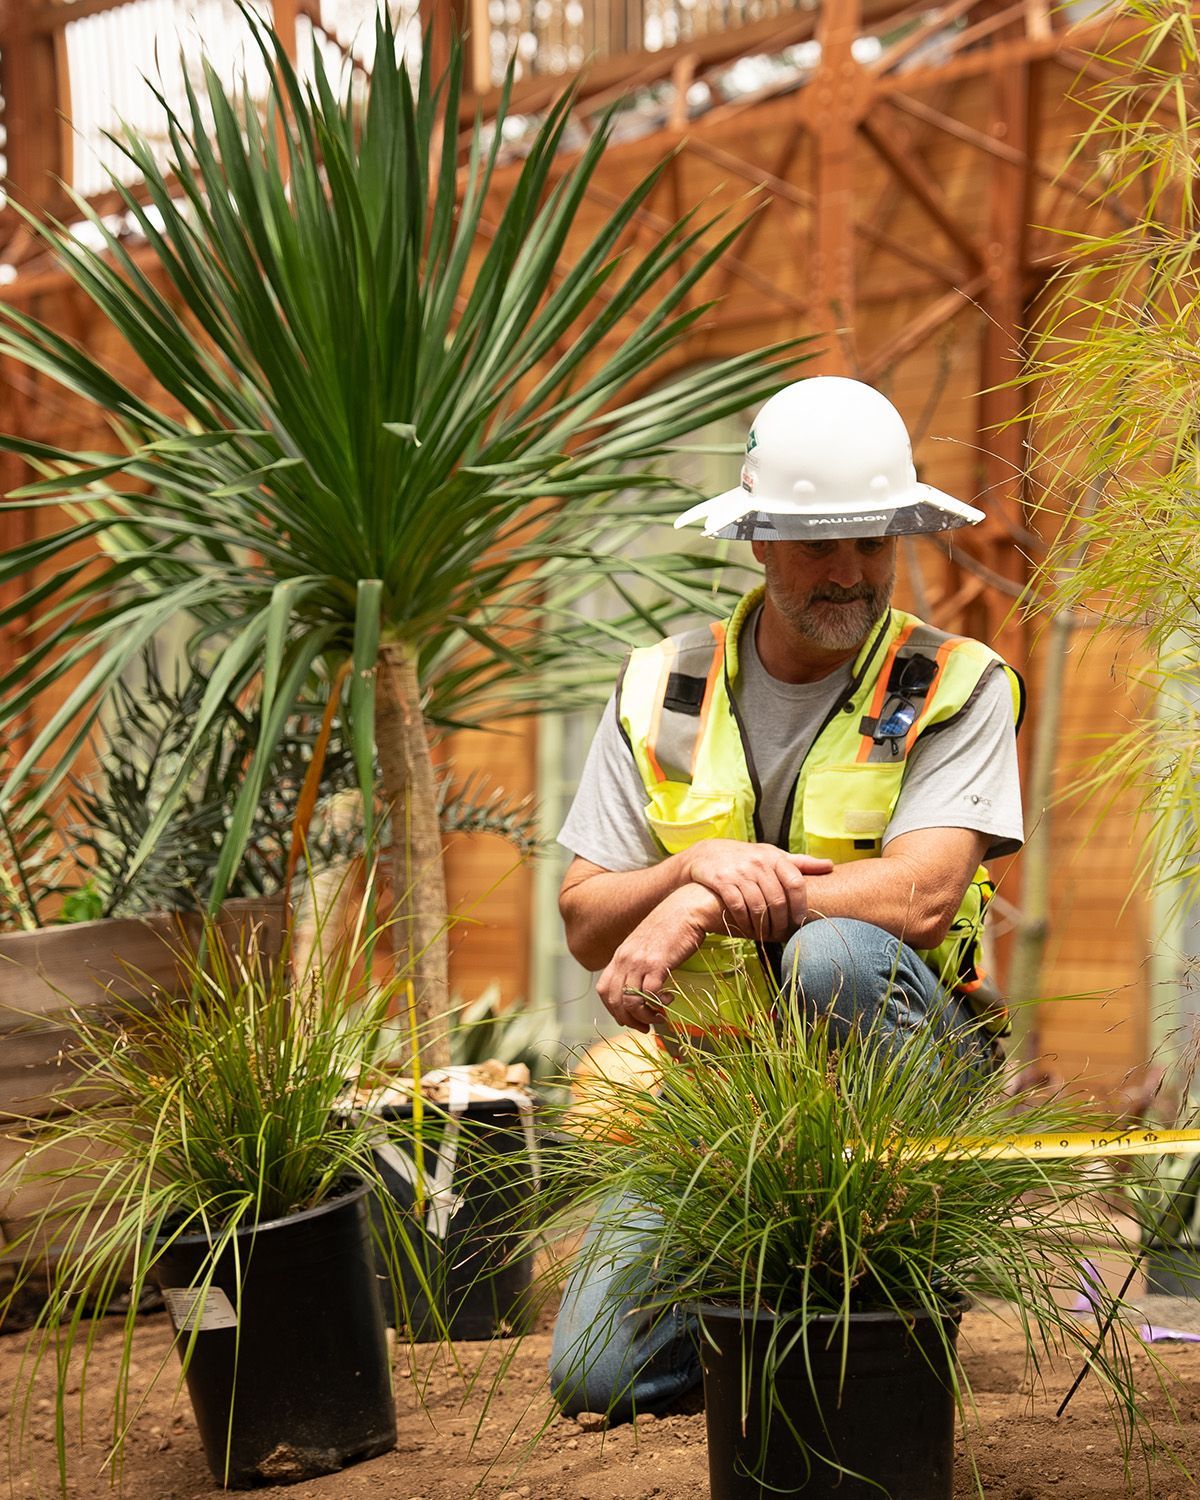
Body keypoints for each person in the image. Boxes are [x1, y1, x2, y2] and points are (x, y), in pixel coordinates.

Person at [547, 375, 1025, 1419]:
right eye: (819, 544)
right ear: (758, 540)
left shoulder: (954, 684)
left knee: (835, 956)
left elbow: (925, 894)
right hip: (717, 1102)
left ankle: (900, 1253)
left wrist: (705, 905)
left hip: (904, 1076)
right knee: (593, 1374)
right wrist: (683, 869)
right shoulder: (661, 688)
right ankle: (796, 1305)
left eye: (872, 542)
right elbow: (586, 921)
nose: (850, 573)